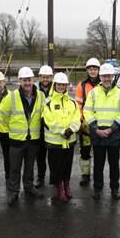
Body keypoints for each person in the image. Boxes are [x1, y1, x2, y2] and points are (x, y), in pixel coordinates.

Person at [83, 63, 120, 200]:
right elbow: (87, 112)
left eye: (109, 76)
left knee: (114, 165)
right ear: (100, 77)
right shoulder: (93, 93)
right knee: (98, 165)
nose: (107, 79)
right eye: (104, 76)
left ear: (113, 77)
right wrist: (95, 129)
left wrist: (111, 129)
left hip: (113, 133)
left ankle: (115, 189)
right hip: (98, 134)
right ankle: (98, 188)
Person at [5, 66, 45, 205]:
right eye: (24, 80)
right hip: (16, 140)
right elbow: (4, 117)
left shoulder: (40, 95)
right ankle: (14, 192)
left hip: (33, 139)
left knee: (29, 167)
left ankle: (29, 187)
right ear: (19, 81)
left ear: (33, 80)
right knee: (14, 168)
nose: (27, 83)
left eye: (29, 80)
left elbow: (43, 115)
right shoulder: (11, 96)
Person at [42, 72, 80, 202]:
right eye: (59, 84)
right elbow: (48, 121)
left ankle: (67, 185)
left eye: (63, 85)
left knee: (67, 165)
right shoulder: (48, 102)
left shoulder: (73, 102)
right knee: (56, 166)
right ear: (55, 85)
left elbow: (77, 118)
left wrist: (71, 130)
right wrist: (63, 131)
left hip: (69, 141)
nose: (61, 87)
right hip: (55, 142)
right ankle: (59, 188)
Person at [75, 58, 100, 187]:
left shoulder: (104, 84)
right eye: (90, 69)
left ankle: (98, 175)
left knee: (99, 152)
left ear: (98, 70)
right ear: (87, 70)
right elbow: (78, 105)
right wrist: (80, 122)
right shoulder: (82, 85)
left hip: (100, 124)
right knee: (85, 151)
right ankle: (85, 175)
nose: (92, 71)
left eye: (95, 69)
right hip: (85, 125)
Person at [35, 65, 54, 188]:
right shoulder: (34, 88)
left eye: (47, 77)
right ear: (40, 77)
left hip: (52, 127)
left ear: (51, 77)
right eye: (43, 77)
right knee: (40, 156)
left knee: (53, 156)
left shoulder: (57, 88)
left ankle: (53, 178)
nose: (45, 79)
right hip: (38, 126)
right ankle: (40, 178)